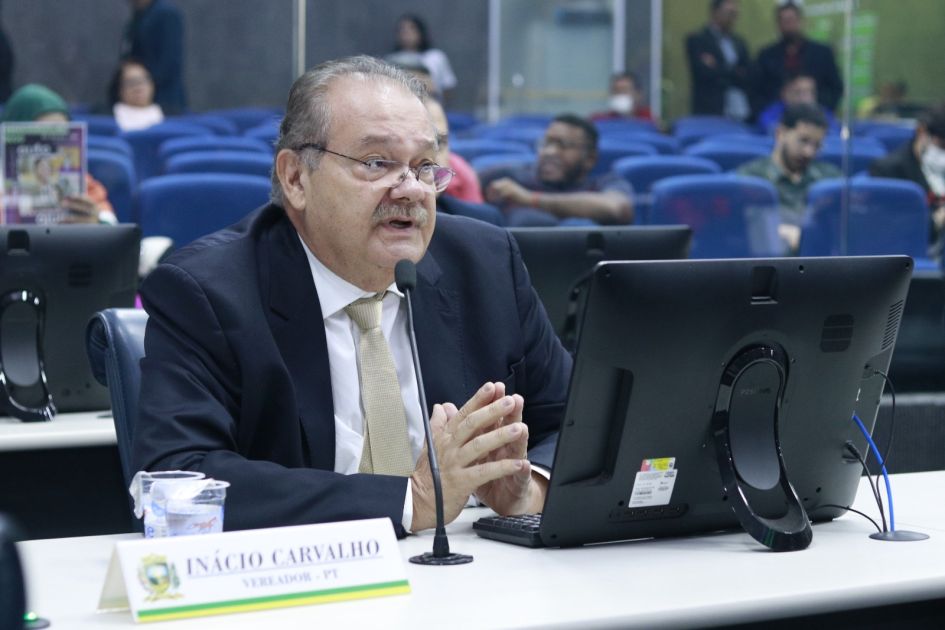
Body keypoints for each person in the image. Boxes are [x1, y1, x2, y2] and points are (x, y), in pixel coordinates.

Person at [132, 56, 572, 537]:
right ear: (296, 178)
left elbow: (581, 421)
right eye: (377, 163)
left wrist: (529, 487)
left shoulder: (485, 263)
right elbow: (178, 478)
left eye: (425, 166)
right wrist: (411, 501)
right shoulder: (207, 291)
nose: (411, 190)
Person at [483, 114, 634, 226]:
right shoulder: (512, 177)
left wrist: (530, 199)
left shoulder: (604, 183)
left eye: (563, 145)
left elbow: (616, 208)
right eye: (546, 143)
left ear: (590, 159)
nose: (550, 152)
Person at [1, 84, 116, 225]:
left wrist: (97, 223)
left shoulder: (82, 182)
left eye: (60, 136)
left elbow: (111, 222)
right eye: (41, 136)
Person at [737, 103, 839, 253]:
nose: (809, 152)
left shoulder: (830, 179)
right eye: (803, 140)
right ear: (780, 133)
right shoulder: (750, 178)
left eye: (817, 146)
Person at [870, 105, 945, 255]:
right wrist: (938, 219)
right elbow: (892, 232)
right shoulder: (887, 170)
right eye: (942, 145)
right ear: (921, 132)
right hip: (914, 256)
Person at [752, 1, 843, 117]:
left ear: (801, 21)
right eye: (784, 21)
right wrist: (782, 96)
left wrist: (811, 95)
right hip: (777, 116)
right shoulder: (766, 56)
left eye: (791, 20)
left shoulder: (822, 53)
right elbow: (756, 92)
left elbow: (836, 88)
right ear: (778, 24)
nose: (788, 25)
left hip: (816, 114)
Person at [685, 0, 751, 121]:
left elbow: (747, 74)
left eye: (735, 14)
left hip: (738, 110)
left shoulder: (739, 43)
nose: (732, 18)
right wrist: (734, 72)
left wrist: (718, 67)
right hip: (709, 110)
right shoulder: (698, 40)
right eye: (729, 13)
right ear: (715, 12)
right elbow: (702, 73)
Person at [121, 0, 186, 114]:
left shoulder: (165, 13)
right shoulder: (139, 14)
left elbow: (168, 62)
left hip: (164, 101)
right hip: (138, 104)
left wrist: (142, 84)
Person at [385, 14, 456, 99]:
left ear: (420, 31)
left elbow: (447, 86)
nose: (407, 33)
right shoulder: (390, 60)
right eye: (402, 29)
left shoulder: (436, 57)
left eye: (412, 28)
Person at [756, 73, 837, 135]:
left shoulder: (823, 113)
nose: (805, 97)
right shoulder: (773, 111)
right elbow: (767, 126)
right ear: (786, 93)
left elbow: (834, 130)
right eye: (799, 92)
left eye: (810, 92)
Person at [108, 58, 164, 131]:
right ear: (119, 89)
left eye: (143, 81)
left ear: (152, 85)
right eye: (131, 82)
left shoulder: (172, 115)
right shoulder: (105, 116)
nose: (138, 88)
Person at [590, 72, 655, 123]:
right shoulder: (600, 120)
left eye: (624, 90)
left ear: (638, 94)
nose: (619, 94)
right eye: (615, 90)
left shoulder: (649, 120)